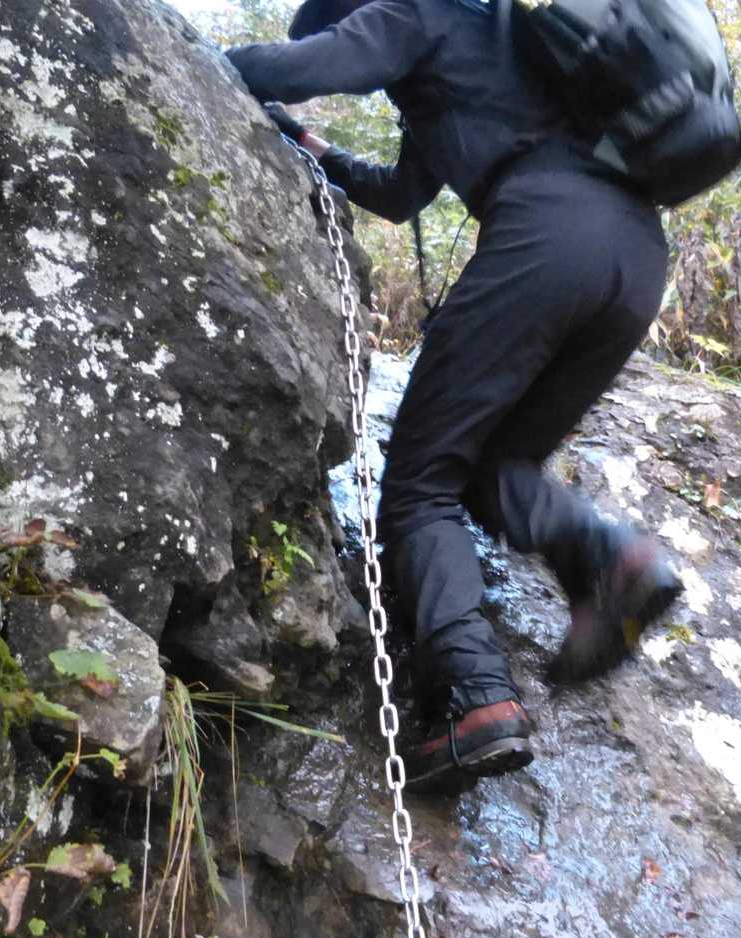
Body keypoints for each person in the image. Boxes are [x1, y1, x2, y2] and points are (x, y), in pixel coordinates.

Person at [226, 0, 682, 793]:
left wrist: (205, 56)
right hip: (636, 260)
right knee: (496, 466)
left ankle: (475, 698)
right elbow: (403, 194)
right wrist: (313, 146)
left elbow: (305, 68)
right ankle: (615, 559)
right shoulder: (485, 48)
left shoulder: (413, 8)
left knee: (418, 486)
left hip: (548, 236)